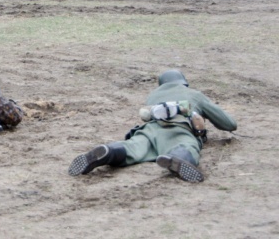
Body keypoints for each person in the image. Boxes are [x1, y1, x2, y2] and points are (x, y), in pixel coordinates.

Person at [68, 69, 237, 182]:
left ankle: (108, 152)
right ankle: (177, 159)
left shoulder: (153, 96)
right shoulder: (194, 94)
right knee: (186, 146)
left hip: (150, 130)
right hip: (180, 129)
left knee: (132, 147)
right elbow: (229, 124)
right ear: (183, 82)